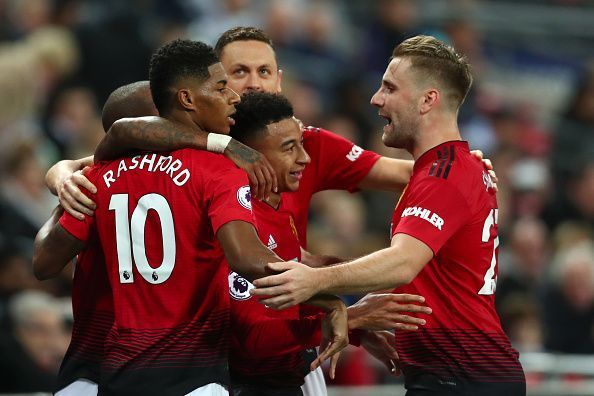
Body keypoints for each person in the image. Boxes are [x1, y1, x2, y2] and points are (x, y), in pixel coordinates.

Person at [33, 39, 348, 396]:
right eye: (220, 86)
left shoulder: (100, 175)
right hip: (192, 377)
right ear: (179, 102)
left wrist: (61, 184)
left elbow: (44, 264)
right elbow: (247, 259)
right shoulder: (218, 169)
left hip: (110, 374)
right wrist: (325, 294)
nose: (233, 96)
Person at [252, 35, 526, 396]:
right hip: (461, 373)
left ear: (428, 100)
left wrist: (313, 281)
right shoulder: (444, 170)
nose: (376, 99)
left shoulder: (445, 176)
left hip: (463, 374)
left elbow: (402, 264)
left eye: (389, 88)